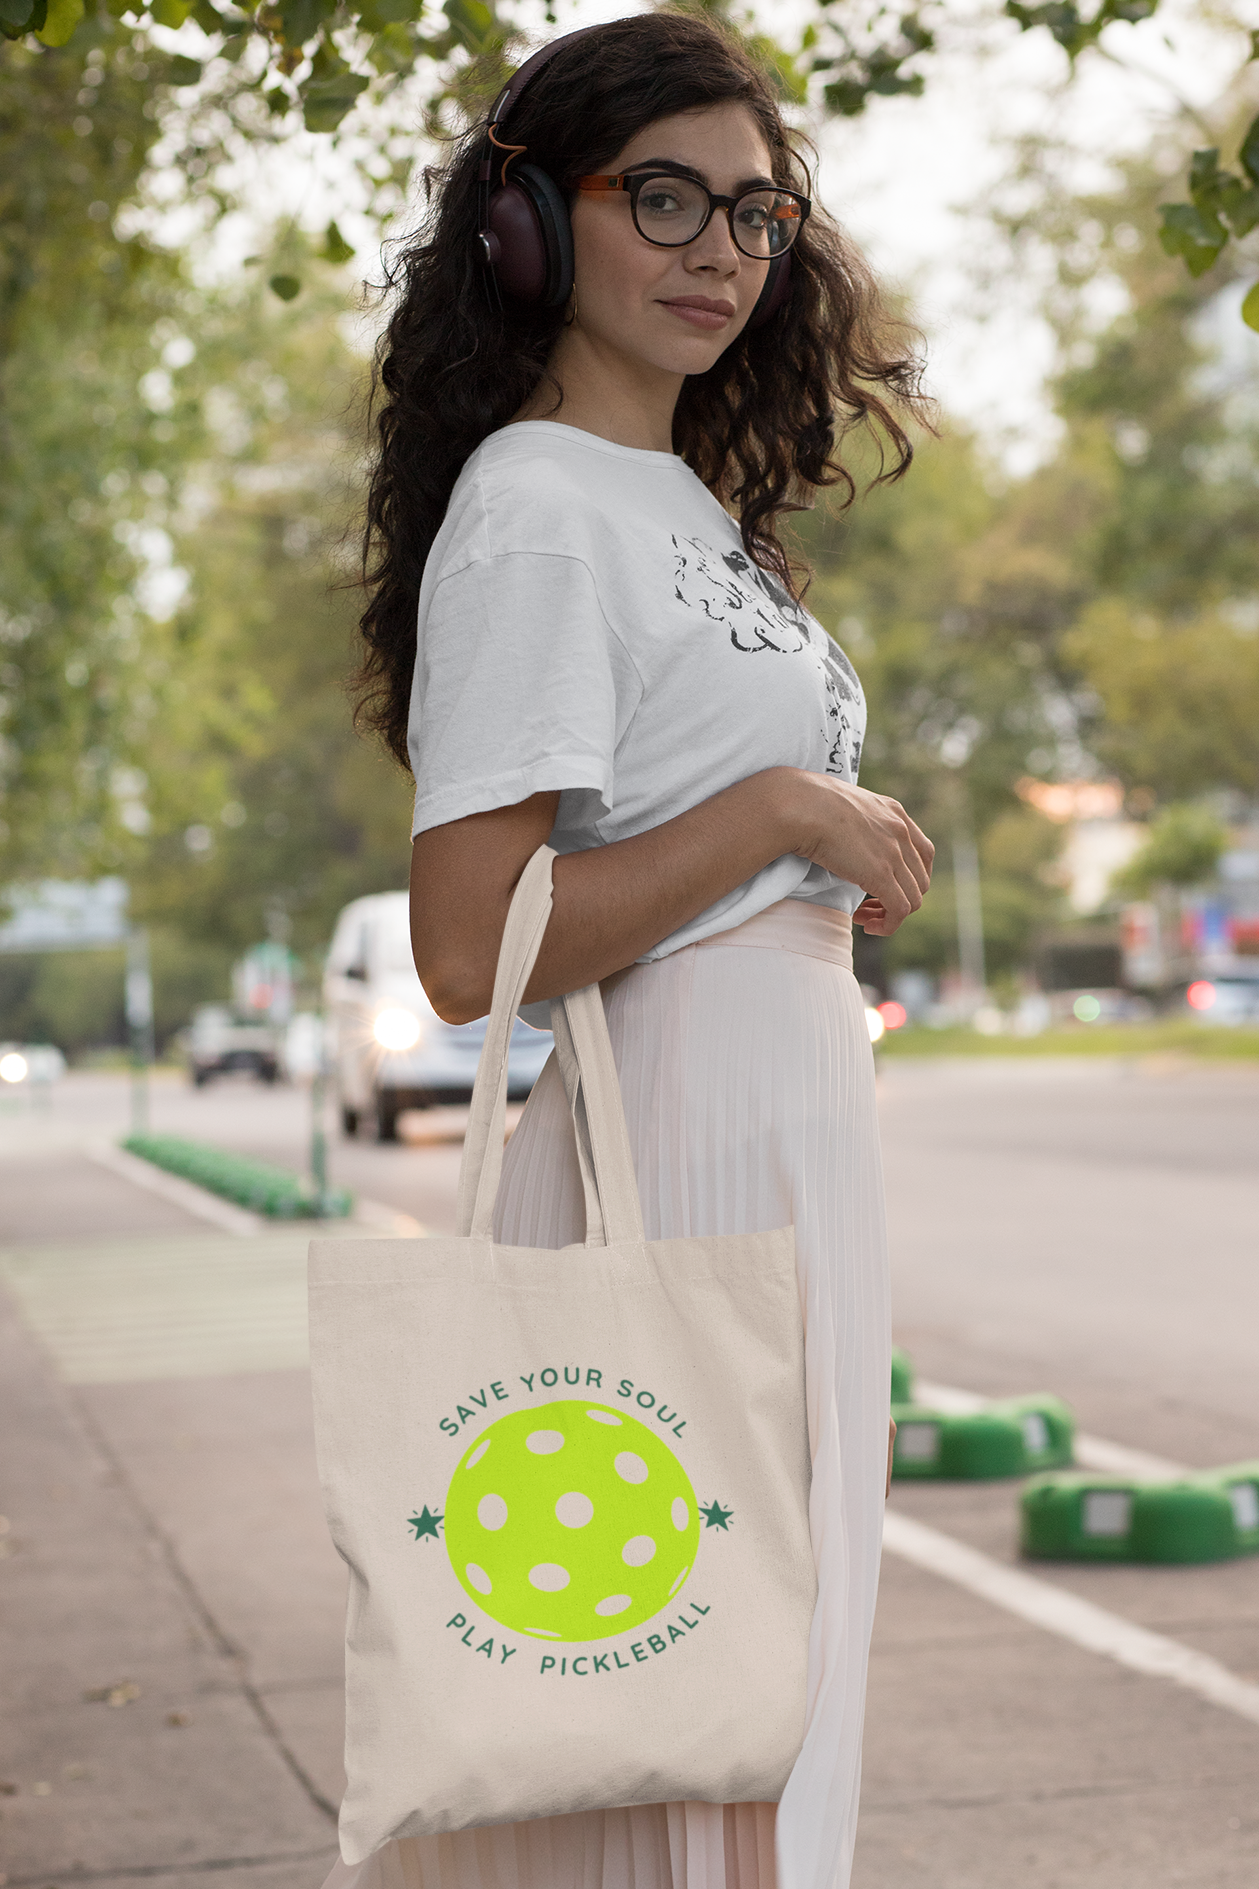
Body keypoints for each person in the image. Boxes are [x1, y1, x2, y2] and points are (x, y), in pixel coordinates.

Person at [344, 14, 934, 1889]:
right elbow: (462, 946)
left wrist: (798, 825)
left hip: (778, 1135)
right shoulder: (529, 509)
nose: (715, 250)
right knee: (702, 1685)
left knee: (759, 1667)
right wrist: (776, 814)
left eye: (754, 215)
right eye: (660, 195)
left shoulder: (678, 502)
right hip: (677, 1145)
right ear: (528, 224)